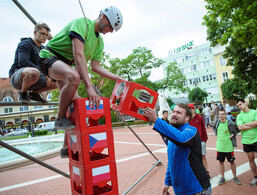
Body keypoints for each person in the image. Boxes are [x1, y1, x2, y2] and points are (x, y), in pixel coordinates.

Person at [39, 6, 124, 157]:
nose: (110, 31)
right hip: (49, 57)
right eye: (111, 26)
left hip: (65, 66)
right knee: (74, 77)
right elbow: (78, 55)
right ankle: (59, 118)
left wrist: (116, 77)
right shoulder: (82, 24)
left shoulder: (100, 42)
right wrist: (89, 87)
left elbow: (95, 67)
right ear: (103, 17)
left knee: (77, 110)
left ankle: (67, 149)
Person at [144, 104, 211, 195]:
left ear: (187, 118)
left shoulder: (192, 131)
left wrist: (156, 120)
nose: (174, 114)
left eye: (179, 113)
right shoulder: (172, 137)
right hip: (180, 190)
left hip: (197, 189)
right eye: (174, 112)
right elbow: (171, 160)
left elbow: (181, 138)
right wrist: (167, 182)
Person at [9, 23, 56, 104]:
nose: (45, 36)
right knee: (34, 71)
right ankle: (22, 94)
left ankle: (34, 94)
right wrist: (43, 73)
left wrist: (49, 75)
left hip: (34, 79)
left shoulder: (42, 49)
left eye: (47, 35)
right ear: (35, 33)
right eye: (42, 33)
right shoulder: (26, 44)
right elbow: (23, 62)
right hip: (18, 77)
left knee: (58, 79)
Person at [212, 109, 241, 185]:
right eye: (220, 114)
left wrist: (234, 134)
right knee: (221, 162)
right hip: (220, 147)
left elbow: (238, 128)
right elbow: (213, 127)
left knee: (232, 162)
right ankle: (222, 178)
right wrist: (216, 133)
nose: (221, 116)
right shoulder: (217, 122)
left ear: (225, 115)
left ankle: (235, 177)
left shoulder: (230, 123)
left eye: (223, 114)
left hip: (229, 147)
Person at [236, 99, 257, 186]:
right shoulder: (239, 116)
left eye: (240, 104)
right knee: (251, 159)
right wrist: (252, 124)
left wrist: (246, 124)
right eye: (238, 105)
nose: (239, 106)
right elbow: (240, 127)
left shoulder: (255, 112)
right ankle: (256, 177)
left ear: (245, 103)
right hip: (246, 140)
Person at [188, 104, 211, 179]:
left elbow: (203, 129)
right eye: (188, 109)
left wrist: (204, 140)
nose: (190, 110)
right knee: (193, 158)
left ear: (193, 109)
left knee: (203, 156)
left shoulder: (200, 118)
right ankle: (196, 173)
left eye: (191, 109)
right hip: (192, 142)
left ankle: (206, 172)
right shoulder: (187, 119)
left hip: (201, 141)